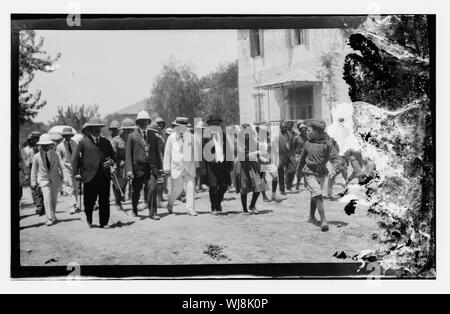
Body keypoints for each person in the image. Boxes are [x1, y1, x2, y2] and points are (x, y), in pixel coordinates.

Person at [72, 116, 116, 228]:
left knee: (104, 201)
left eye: (99, 128)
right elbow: (75, 159)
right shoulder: (83, 142)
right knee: (89, 201)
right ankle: (89, 218)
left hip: (104, 176)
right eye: (95, 128)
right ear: (90, 129)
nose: (97, 130)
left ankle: (104, 222)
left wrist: (111, 162)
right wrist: (77, 173)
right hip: (89, 177)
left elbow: (113, 156)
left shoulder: (105, 142)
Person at [298, 119, 339, 232]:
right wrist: (298, 173)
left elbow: (335, 158)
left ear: (316, 132)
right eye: (306, 130)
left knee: (315, 196)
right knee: (318, 194)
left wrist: (334, 168)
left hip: (321, 173)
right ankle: (324, 220)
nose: (306, 132)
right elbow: (302, 159)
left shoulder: (327, 144)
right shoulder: (307, 144)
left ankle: (311, 216)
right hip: (309, 172)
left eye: (309, 130)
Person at [125, 111, 161, 219]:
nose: (144, 123)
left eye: (146, 121)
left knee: (152, 188)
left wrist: (160, 167)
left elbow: (156, 152)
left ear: (148, 122)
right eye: (142, 121)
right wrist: (129, 171)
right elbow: (128, 155)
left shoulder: (152, 135)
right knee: (136, 191)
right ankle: (134, 208)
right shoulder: (132, 136)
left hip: (151, 167)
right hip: (138, 169)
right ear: (138, 122)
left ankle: (153, 212)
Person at [163, 117, 198, 216]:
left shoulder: (192, 137)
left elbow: (195, 152)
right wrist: (166, 167)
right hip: (177, 167)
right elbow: (167, 153)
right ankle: (170, 202)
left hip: (189, 167)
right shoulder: (172, 137)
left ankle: (190, 209)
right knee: (177, 189)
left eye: (184, 127)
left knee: (190, 188)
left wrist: (198, 166)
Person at [30, 134, 68, 226]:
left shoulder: (56, 154)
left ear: (50, 145)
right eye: (43, 145)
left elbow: (62, 167)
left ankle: (53, 215)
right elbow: (34, 170)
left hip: (55, 179)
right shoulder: (37, 156)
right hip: (43, 180)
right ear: (40, 146)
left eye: (47, 145)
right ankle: (49, 218)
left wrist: (65, 178)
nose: (45, 147)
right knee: (46, 199)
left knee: (54, 200)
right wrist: (33, 182)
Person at [200, 114, 234, 215]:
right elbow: (203, 150)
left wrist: (230, 163)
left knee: (223, 186)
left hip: (222, 164)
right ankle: (214, 207)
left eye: (217, 124)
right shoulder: (206, 135)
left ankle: (218, 202)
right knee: (213, 186)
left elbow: (227, 149)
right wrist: (203, 167)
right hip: (211, 164)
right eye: (214, 124)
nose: (216, 125)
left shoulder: (222, 134)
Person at [235, 124, 268, 214]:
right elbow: (243, 155)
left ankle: (252, 205)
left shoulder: (252, 140)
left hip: (253, 163)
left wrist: (261, 156)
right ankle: (245, 209)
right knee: (244, 187)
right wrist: (256, 153)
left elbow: (258, 150)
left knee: (260, 184)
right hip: (243, 164)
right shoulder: (239, 141)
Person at [111, 118, 135, 211]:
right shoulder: (116, 140)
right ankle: (118, 203)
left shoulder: (133, 139)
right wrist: (112, 166)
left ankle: (124, 198)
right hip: (119, 165)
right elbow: (112, 154)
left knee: (126, 183)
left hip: (130, 165)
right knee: (118, 184)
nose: (129, 131)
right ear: (123, 130)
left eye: (131, 129)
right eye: (127, 129)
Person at [57, 127, 80, 214]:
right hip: (66, 167)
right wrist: (61, 171)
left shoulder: (75, 144)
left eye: (69, 135)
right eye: (66, 135)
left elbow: (79, 155)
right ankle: (71, 206)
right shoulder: (60, 146)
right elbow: (59, 159)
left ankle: (75, 204)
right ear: (63, 136)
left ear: (71, 135)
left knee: (76, 187)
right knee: (69, 186)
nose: (67, 137)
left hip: (75, 167)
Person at [257, 123, 282, 202]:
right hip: (260, 162)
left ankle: (274, 194)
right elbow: (256, 153)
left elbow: (273, 151)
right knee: (262, 179)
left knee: (275, 177)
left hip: (269, 162)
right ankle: (264, 196)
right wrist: (262, 159)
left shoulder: (269, 141)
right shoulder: (256, 141)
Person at [23, 131, 45, 216]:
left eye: (36, 138)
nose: (33, 140)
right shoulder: (26, 150)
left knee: (42, 187)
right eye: (32, 139)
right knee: (34, 187)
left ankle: (42, 205)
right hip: (31, 168)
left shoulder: (42, 147)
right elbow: (25, 160)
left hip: (41, 169)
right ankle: (39, 205)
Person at [148, 122, 166, 208]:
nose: (159, 126)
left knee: (160, 182)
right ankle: (148, 201)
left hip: (159, 161)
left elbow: (162, 151)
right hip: (150, 164)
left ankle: (159, 200)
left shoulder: (160, 139)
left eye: (160, 125)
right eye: (158, 124)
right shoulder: (146, 138)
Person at [276, 122, 296, 195]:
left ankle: (289, 185)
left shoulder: (290, 136)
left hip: (289, 156)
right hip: (280, 157)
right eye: (283, 127)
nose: (284, 128)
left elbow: (292, 147)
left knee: (292, 170)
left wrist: (293, 156)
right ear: (280, 127)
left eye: (285, 127)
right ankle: (282, 189)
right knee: (281, 174)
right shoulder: (277, 136)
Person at [294, 122, 309, 190]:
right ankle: (297, 185)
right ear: (300, 130)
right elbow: (293, 147)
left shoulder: (308, 137)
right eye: (302, 130)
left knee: (306, 170)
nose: (304, 131)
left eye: (305, 130)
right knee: (299, 171)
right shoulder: (296, 138)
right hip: (298, 156)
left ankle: (306, 185)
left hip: (306, 155)